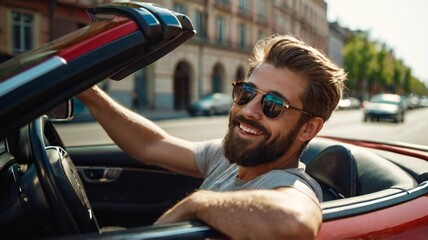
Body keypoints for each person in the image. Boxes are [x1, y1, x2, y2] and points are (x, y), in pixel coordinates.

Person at [77, 34, 347, 239]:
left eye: (273, 105)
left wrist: (198, 203)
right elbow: (151, 145)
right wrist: (88, 93)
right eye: (247, 93)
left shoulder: (290, 184)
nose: (248, 110)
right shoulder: (227, 157)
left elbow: (295, 223)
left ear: (308, 128)